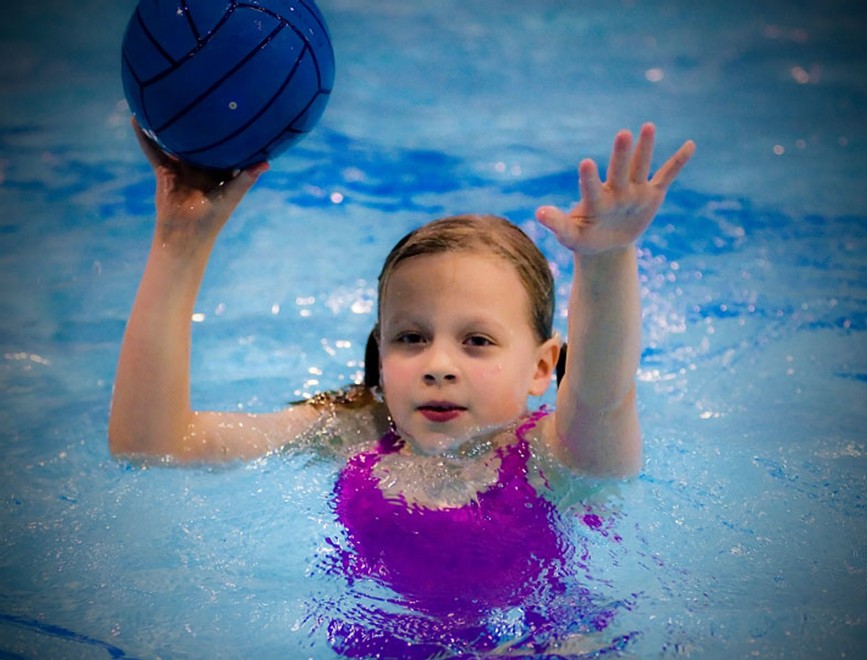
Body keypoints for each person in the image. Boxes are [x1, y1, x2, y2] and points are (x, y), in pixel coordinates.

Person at [109, 120, 693, 649]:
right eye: (411, 338)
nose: (438, 364)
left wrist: (608, 258)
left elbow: (602, 393)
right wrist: (180, 239)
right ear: (381, 354)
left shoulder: (554, 457)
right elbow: (155, 444)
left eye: (477, 341)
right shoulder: (351, 429)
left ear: (542, 367)